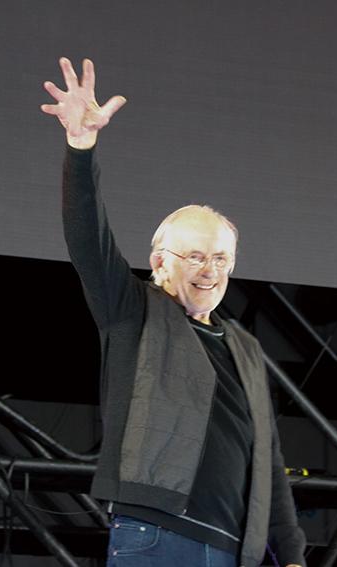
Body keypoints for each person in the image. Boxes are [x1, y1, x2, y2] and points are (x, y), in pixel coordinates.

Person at [41, 57, 306, 567]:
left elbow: (268, 457)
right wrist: (81, 147)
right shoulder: (135, 312)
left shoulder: (245, 347)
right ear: (160, 261)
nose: (210, 270)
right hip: (159, 536)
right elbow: (88, 240)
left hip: (236, 550)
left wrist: (291, 552)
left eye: (221, 259)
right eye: (195, 257)